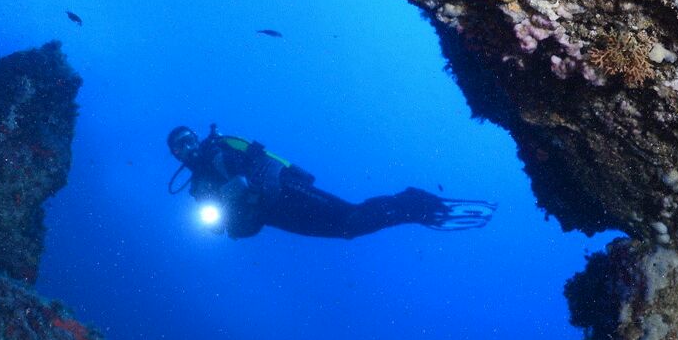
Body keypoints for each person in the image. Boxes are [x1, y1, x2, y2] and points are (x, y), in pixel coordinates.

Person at [165, 125, 495, 239]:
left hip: (283, 190)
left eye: (188, 139)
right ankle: (413, 209)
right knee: (347, 231)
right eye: (180, 147)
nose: (188, 148)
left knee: (351, 217)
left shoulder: (222, 148)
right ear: (176, 155)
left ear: (197, 137)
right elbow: (230, 227)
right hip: (273, 214)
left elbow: (254, 165)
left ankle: (415, 204)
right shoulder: (197, 187)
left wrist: (241, 188)